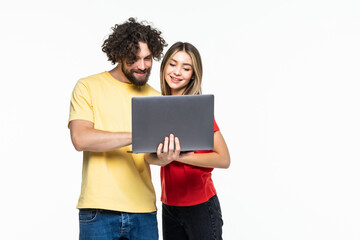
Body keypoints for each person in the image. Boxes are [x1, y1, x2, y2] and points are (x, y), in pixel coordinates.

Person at [68, 17, 167, 240]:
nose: (143, 66)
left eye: (148, 58)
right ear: (119, 55)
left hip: (144, 211)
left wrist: (165, 157)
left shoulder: (156, 98)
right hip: (98, 211)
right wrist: (138, 135)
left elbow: (151, 156)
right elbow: (80, 138)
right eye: (134, 59)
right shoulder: (88, 86)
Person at [145, 42, 231, 240]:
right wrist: (162, 158)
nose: (177, 72)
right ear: (164, 66)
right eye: (172, 64)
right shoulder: (155, 107)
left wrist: (180, 157)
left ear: (193, 74)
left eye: (186, 68)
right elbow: (148, 156)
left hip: (201, 206)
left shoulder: (198, 110)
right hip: (169, 206)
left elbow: (223, 159)